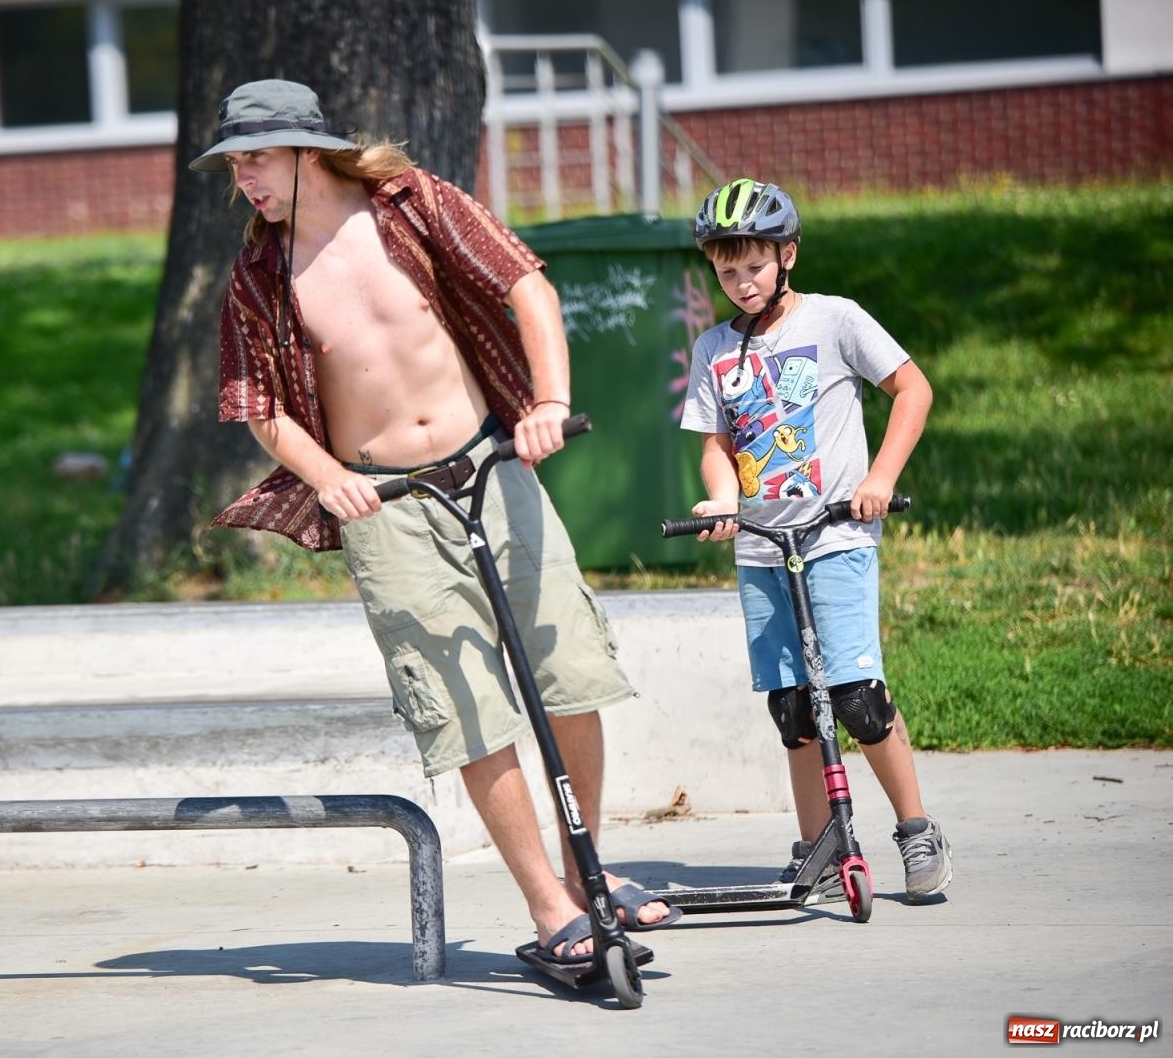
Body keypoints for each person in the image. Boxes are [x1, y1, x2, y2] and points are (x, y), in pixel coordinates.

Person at [191, 78, 679, 963]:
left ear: (308, 149)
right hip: (388, 504)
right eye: (235, 165)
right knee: (465, 709)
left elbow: (526, 286)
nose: (246, 181)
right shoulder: (260, 275)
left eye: (257, 159)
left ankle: (590, 867)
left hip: (494, 466)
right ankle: (549, 909)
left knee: (567, 673)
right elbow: (259, 406)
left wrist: (549, 401)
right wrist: (328, 474)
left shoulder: (412, 207)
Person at [678, 177, 952, 903]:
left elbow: (913, 390)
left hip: (836, 538)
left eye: (754, 266)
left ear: (787, 255)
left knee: (857, 699)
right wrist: (723, 496)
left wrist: (882, 477)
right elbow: (714, 442)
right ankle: (821, 849)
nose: (740, 281)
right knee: (794, 710)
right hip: (762, 548)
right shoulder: (714, 350)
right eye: (726, 268)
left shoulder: (835, 320)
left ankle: (916, 828)